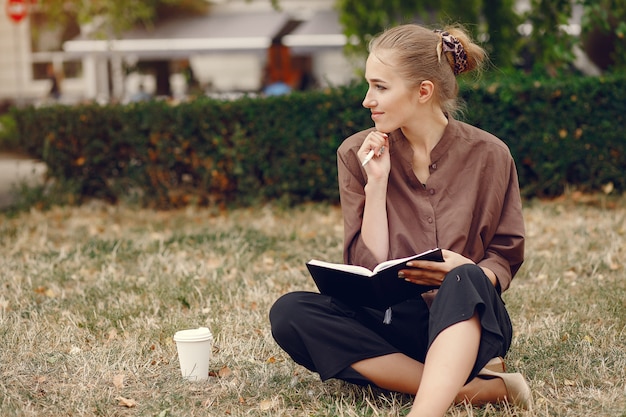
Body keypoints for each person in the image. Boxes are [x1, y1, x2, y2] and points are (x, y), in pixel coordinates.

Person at [269, 23, 532, 416]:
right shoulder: (356, 154)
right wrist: (377, 186)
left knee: (464, 277)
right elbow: (366, 268)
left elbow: (506, 252)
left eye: (380, 87)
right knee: (290, 313)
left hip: (469, 320)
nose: (366, 100)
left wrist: (472, 271)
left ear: (423, 91)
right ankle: (476, 391)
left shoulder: (490, 155)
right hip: (396, 323)